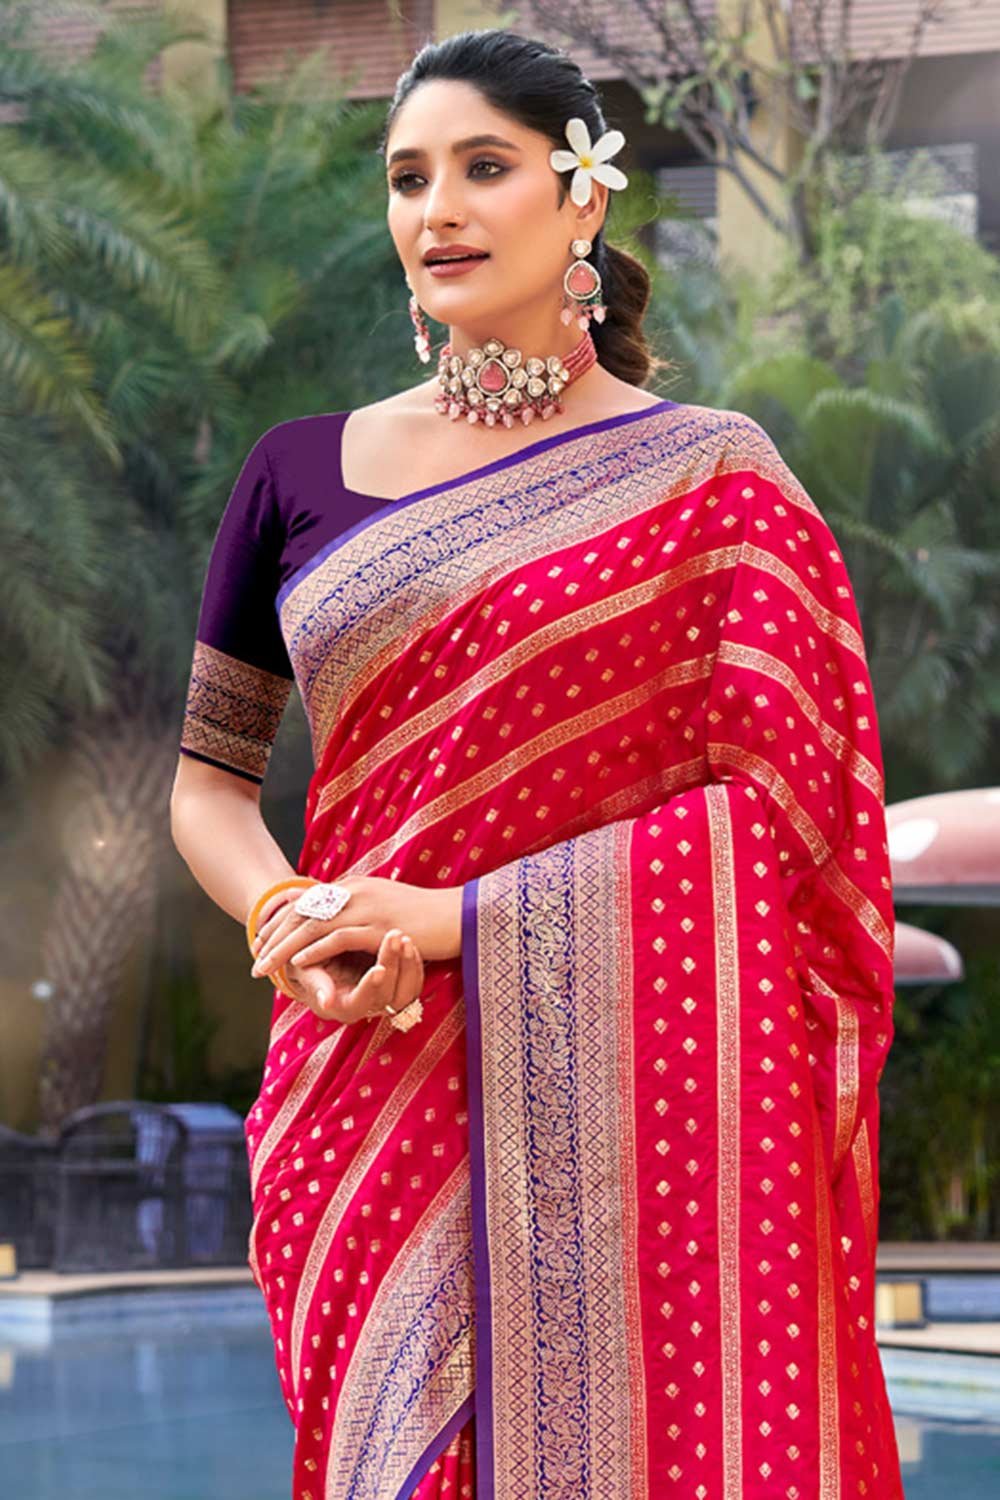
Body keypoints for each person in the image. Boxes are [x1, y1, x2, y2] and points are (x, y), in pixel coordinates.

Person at [169, 27, 905, 1500]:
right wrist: (289, 918)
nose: (437, 210)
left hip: (636, 1104)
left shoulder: (714, 477)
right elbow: (209, 788)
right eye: (408, 178)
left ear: (583, 200)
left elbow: (787, 819)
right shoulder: (294, 471)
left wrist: (451, 919)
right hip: (363, 1071)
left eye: (483, 168)